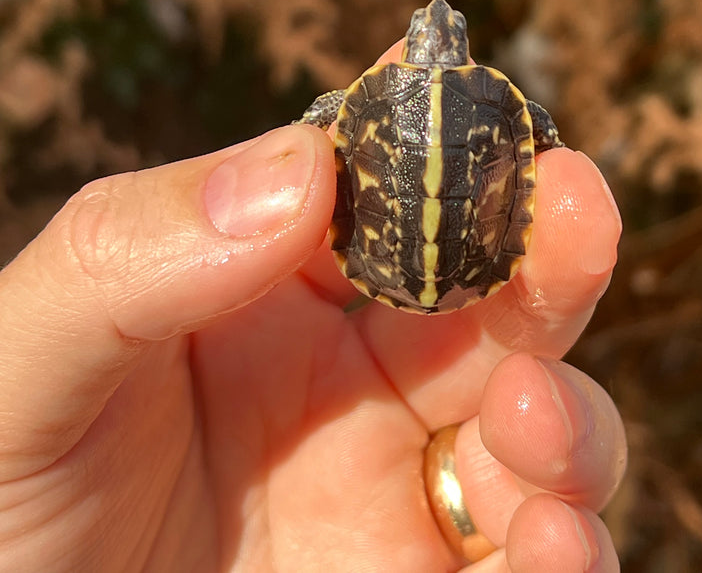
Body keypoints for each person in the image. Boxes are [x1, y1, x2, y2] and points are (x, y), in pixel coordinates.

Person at [0, 39, 626, 573]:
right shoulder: (497, 100)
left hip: (390, 261)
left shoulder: (374, 97)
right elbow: (531, 130)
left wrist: (313, 129)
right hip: (466, 269)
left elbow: (333, 116)